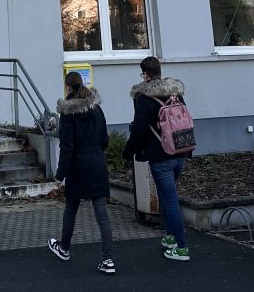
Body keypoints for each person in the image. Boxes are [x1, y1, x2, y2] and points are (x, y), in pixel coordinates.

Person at [47, 71, 116, 275]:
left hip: (78, 167)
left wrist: (60, 174)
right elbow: (104, 139)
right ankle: (108, 260)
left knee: (71, 209)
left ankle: (64, 248)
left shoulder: (67, 114)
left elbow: (67, 148)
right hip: (97, 163)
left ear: (67, 87)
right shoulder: (96, 108)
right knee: (101, 213)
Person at [122, 55, 190, 262]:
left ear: (145, 74)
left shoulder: (144, 99)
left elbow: (139, 130)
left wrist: (128, 152)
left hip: (160, 157)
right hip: (180, 152)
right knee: (164, 195)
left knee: (169, 200)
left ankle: (181, 247)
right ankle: (170, 236)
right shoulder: (175, 94)